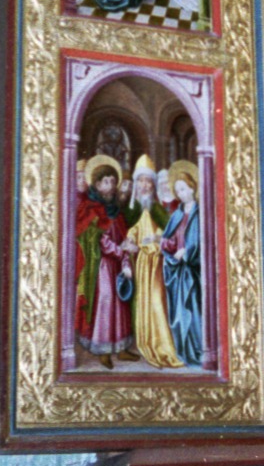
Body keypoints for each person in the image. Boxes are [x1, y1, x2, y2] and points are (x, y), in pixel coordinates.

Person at [75, 156, 139, 367]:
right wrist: (119, 250)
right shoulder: (91, 208)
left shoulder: (116, 210)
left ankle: (120, 348)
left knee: (120, 304)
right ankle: (103, 350)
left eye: (113, 181)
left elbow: (121, 233)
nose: (110, 185)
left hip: (117, 263)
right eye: (105, 182)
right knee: (105, 299)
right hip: (100, 265)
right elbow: (99, 240)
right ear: (96, 183)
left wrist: (127, 248)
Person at [121, 155, 180, 368]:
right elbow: (129, 231)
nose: (145, 186)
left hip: (155, 265)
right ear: (136, 184)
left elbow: (169, 234)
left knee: (156, 301)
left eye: (148, 182)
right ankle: (142, 341)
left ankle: (161, 344)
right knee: (138, 303)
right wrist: (128, 242)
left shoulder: (156, 209)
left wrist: (156, 240)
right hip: (136, 264)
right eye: (141, 181)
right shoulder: (128, 209)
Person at [161, 160, 204, 367]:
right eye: (178, 190)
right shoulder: (177, 213)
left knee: (192, 311)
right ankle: (183, 351)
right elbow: (169, 239)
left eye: (184, 189)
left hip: (192, 271)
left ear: (193, 187)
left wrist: (187, 251)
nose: (181, 193)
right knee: (178, 313)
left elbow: (201, 240)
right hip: (177, 271)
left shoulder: (200, 213)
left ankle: (197, 349)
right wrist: (166, 244)